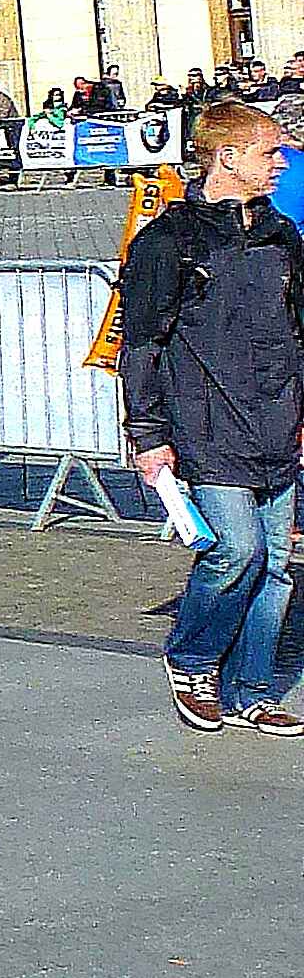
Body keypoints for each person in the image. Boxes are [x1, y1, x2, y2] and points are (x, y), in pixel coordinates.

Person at [120, 97, 304, 735]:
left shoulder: (282, 236)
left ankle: (252, 687)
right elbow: (141, 341)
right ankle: (193, 657)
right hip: (207, 423)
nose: (282, 163)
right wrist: (147, 434)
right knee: (236, 551)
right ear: (227, 157)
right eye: (269, 153)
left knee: (277, 561)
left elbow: (298, 330)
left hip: (276, 421)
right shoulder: (170, 240)